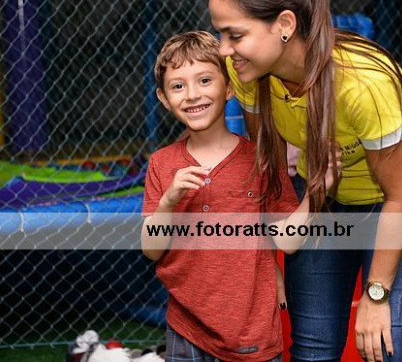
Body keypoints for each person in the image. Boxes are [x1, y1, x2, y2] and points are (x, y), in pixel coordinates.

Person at [207, 0, 402, 362]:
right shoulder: (246, 72)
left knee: (389, 348)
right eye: (220, 34)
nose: (224, 50)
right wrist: (268, 259)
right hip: (324, 189)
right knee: (313, 349)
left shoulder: (361, 82)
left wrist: (376, 294)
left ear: (285, 25)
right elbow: (272, 169)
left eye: (236, 35)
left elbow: (401, 193)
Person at [141, 31, 339, 362]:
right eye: (178, 86)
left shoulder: (262, 160)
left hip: (251, 332)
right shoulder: (161, 163)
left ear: (230, 87)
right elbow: (151, 250)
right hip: (186, 328)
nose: (192, 94)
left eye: (205, 80)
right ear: (163, 97)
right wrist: (168, 202)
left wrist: (317, 192)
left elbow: (287, 241)